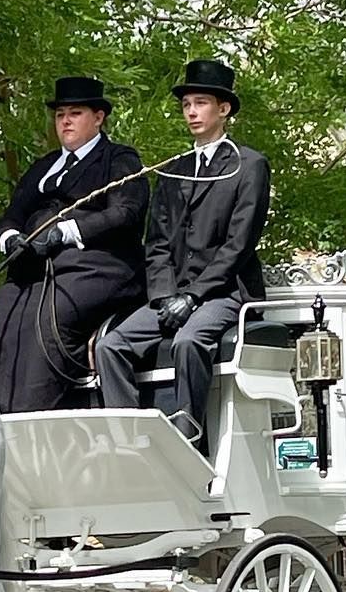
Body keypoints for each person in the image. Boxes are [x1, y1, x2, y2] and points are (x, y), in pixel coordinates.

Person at [95, 59, 270, 448]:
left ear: (223, 109)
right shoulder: (173, 169)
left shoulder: (249, 165)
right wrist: (164, 294)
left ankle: (189, 433)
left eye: (201, 103)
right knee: (111, 346)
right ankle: (128, 439)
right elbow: (156, 241)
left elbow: (238, 245)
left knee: (189, 341)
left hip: (226, 292)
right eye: (187, 104)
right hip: (171, 294)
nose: (191, 111)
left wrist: (192, 296)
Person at [0, 75, 149, 413]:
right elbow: (11, 215)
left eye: (74, 113)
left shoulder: (119, 159)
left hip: (98, 266)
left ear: (98, 118)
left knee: (50, 318)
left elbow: (125, 212)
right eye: (60, 115)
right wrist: (11, 239)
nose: (65, 121)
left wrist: (67, 231)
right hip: (36, 266)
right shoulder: (43, 167)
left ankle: (36, 415)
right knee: (4, 319)